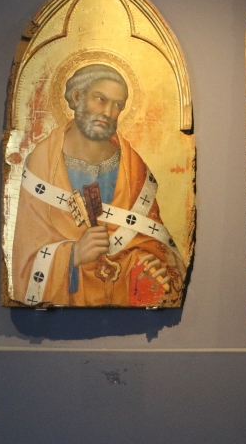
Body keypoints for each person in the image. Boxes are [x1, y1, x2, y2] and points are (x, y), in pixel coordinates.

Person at [11, 64, 182, 306]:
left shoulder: (132, 165)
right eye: (100, 99)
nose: (108, 112)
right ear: (77, 97)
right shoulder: (44, 163)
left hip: (124, 296)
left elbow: (152, 240)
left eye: (118, 105)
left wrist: (152, 261)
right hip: (66, 305)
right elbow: (26, 254)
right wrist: (73, 255)